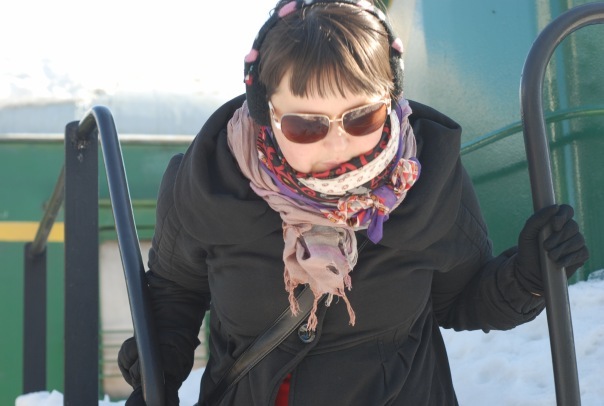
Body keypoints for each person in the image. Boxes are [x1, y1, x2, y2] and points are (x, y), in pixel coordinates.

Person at [117, 1, 589, 405]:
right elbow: (175, 293)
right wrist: (158, 373)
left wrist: (529, 278)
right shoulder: (210, 184)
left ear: (392, 99)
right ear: (265, 111)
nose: (338, 145)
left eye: (362, 117)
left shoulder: (429, 179)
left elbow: (462, 300)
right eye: (306, 125)